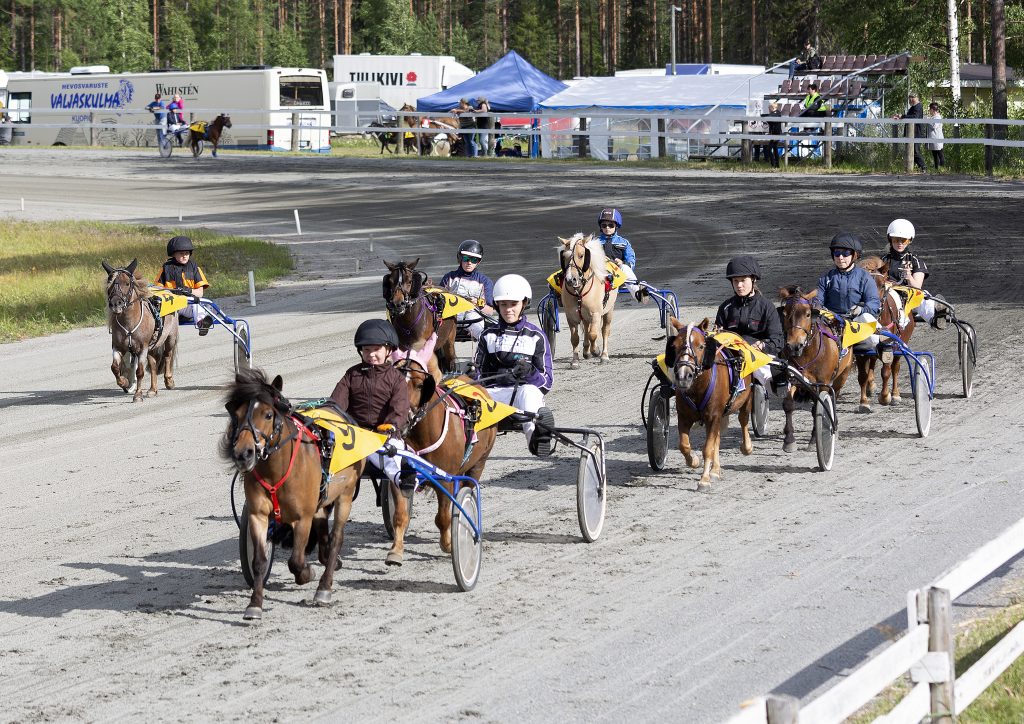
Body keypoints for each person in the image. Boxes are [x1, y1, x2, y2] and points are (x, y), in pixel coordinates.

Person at [329, 319, 415, 494]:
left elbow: (399, 408)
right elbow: (336, 402)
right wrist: (328, 416)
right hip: (355, 435)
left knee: (391, 454)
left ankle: (401, 478)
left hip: (384, 436)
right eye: (366, 350)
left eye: (376, 349)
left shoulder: (396, 378)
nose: (371, 354)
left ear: (388, 350)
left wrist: (390, 426)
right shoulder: (352, 374)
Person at [473, 274, 555, 456]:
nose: (508, 309)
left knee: (530, 392)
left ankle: (536, 439)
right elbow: (478, 373)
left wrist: (530, 372)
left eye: (513, 304)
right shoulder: (487, 336)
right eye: (503, 304)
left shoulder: (536, 336)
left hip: (522, 395)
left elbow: (547, 382)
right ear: (496, 305)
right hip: (493, 395)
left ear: (524, 303)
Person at [715, 255, 784, 393]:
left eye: (743, 280)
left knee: (767, 375)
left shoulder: (767, 307)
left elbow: (778, 340)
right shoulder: (725, 307)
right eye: (735, 281)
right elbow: (718, 335)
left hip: (758, 357)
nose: (739, 285)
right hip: (732, 356)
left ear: (753, 280)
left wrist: (763, 345)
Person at [816, 231, 882, 353]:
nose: (840, 257)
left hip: (856, 322)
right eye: (837, 253)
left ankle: (883, 343)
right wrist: (818, 308)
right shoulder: (826, 278)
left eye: (845, 253)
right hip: (832, 322)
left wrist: (861, 310)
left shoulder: (864, 277)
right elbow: (817, 301)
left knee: (867, 317)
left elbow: (874, 303)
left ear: (854, 255)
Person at [880, 218, 948, 329]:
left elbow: (917, 287)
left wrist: (909, 276)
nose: (900, 243)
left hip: (908, 297)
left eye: (904, 240)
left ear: (909, 240)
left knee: (922, 296)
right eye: (896, 240)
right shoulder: (883, 260)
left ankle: (936, 317)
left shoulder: (915, 260)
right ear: (890, 240)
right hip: (889, 295)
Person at [154, 235, 213, 334]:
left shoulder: (194, 268)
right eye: (181, 253)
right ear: (173, 254)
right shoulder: (166, 268)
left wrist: (188, 291)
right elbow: (157, 290)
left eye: (187, 253)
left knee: (202, 305)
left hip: (188, 305)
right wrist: (171, 292)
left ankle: (202, 324)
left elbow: (200, 293)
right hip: (172, 305)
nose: (185, 256)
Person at [439, 239, 495, 341]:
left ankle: (484, 354)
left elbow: (490, 311)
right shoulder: (449, 278)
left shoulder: (485, 282)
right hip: (450, 317)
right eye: (466, 258)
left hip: (473, 318)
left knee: (485, 337)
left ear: (478, 262)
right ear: (460, 258)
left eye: (474, 260)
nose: (469, 263)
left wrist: (478, 303)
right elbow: (438, 302)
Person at [596, 208, 645, 302]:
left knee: (625, 267)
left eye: (610, 225)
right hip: (600, 273)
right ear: (600, 227)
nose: (607, 228)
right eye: (604, 225)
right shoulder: (594, 242)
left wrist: (623, 262)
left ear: (616, 226)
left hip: (618, 275)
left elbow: (631, 259)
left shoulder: (623, 243)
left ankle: (638, 294)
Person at [893, 94, 927, 172]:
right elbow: (909, 116)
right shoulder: (913, 107)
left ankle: (923, 167)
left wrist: (903, 116)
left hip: (916, 132)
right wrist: (900, 117)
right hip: (911, 132)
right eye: (909, 98)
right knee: (910, 150)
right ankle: (916, 167)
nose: (910, 100)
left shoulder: (918, 106)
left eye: (912, 98)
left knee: (915, 151)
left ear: (917, 98)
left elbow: (915, 117)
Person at [762, 101, 782, 168]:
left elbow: (770, 117)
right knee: (775, 149)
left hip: (776, 133)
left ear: (772, 107)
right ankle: (777, 165)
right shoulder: (774, 113)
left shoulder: (777, 113)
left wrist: (763, 116)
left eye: (769, 107)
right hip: (774, 133)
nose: (768, 108)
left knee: (768, 149)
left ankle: (773, 163)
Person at [927, 102, 945, 170]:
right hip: (933, 139)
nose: (929, 110)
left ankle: (942, 168)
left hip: (937, 138)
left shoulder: (938, 117)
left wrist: (927, 120)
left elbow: (934, 126)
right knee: (935, 155)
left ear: (933, 110)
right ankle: (936, 168)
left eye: (930, 109)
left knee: (940, 154)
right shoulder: (933, 117)